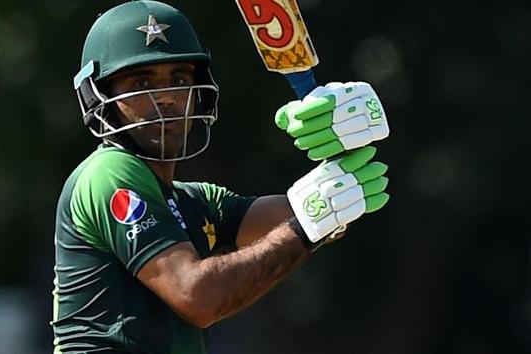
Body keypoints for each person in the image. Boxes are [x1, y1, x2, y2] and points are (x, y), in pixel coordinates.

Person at [51, 1, 391, 353]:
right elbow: (197, 296)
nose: (167, 97)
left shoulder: (196, 201)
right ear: (98, 95)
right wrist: (311, 223)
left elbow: (307, 209)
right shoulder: (108, 172)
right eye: (141, 80)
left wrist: (343, 148)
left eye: (180, 79)